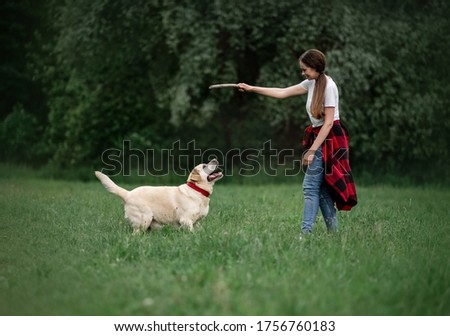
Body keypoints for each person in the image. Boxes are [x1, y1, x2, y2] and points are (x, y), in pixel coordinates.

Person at [237, 49, 357, 238]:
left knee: (310, 186)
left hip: (331, 139)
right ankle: (335, 236)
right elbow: (282, 92)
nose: (303, 73)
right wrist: (252, 88)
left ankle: (305, 234)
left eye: (305, 69)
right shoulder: (311, 83)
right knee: (323, 189)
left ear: (316, 68)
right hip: (320, 136)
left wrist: (311, 151)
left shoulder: (329, 86)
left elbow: (327, 123)